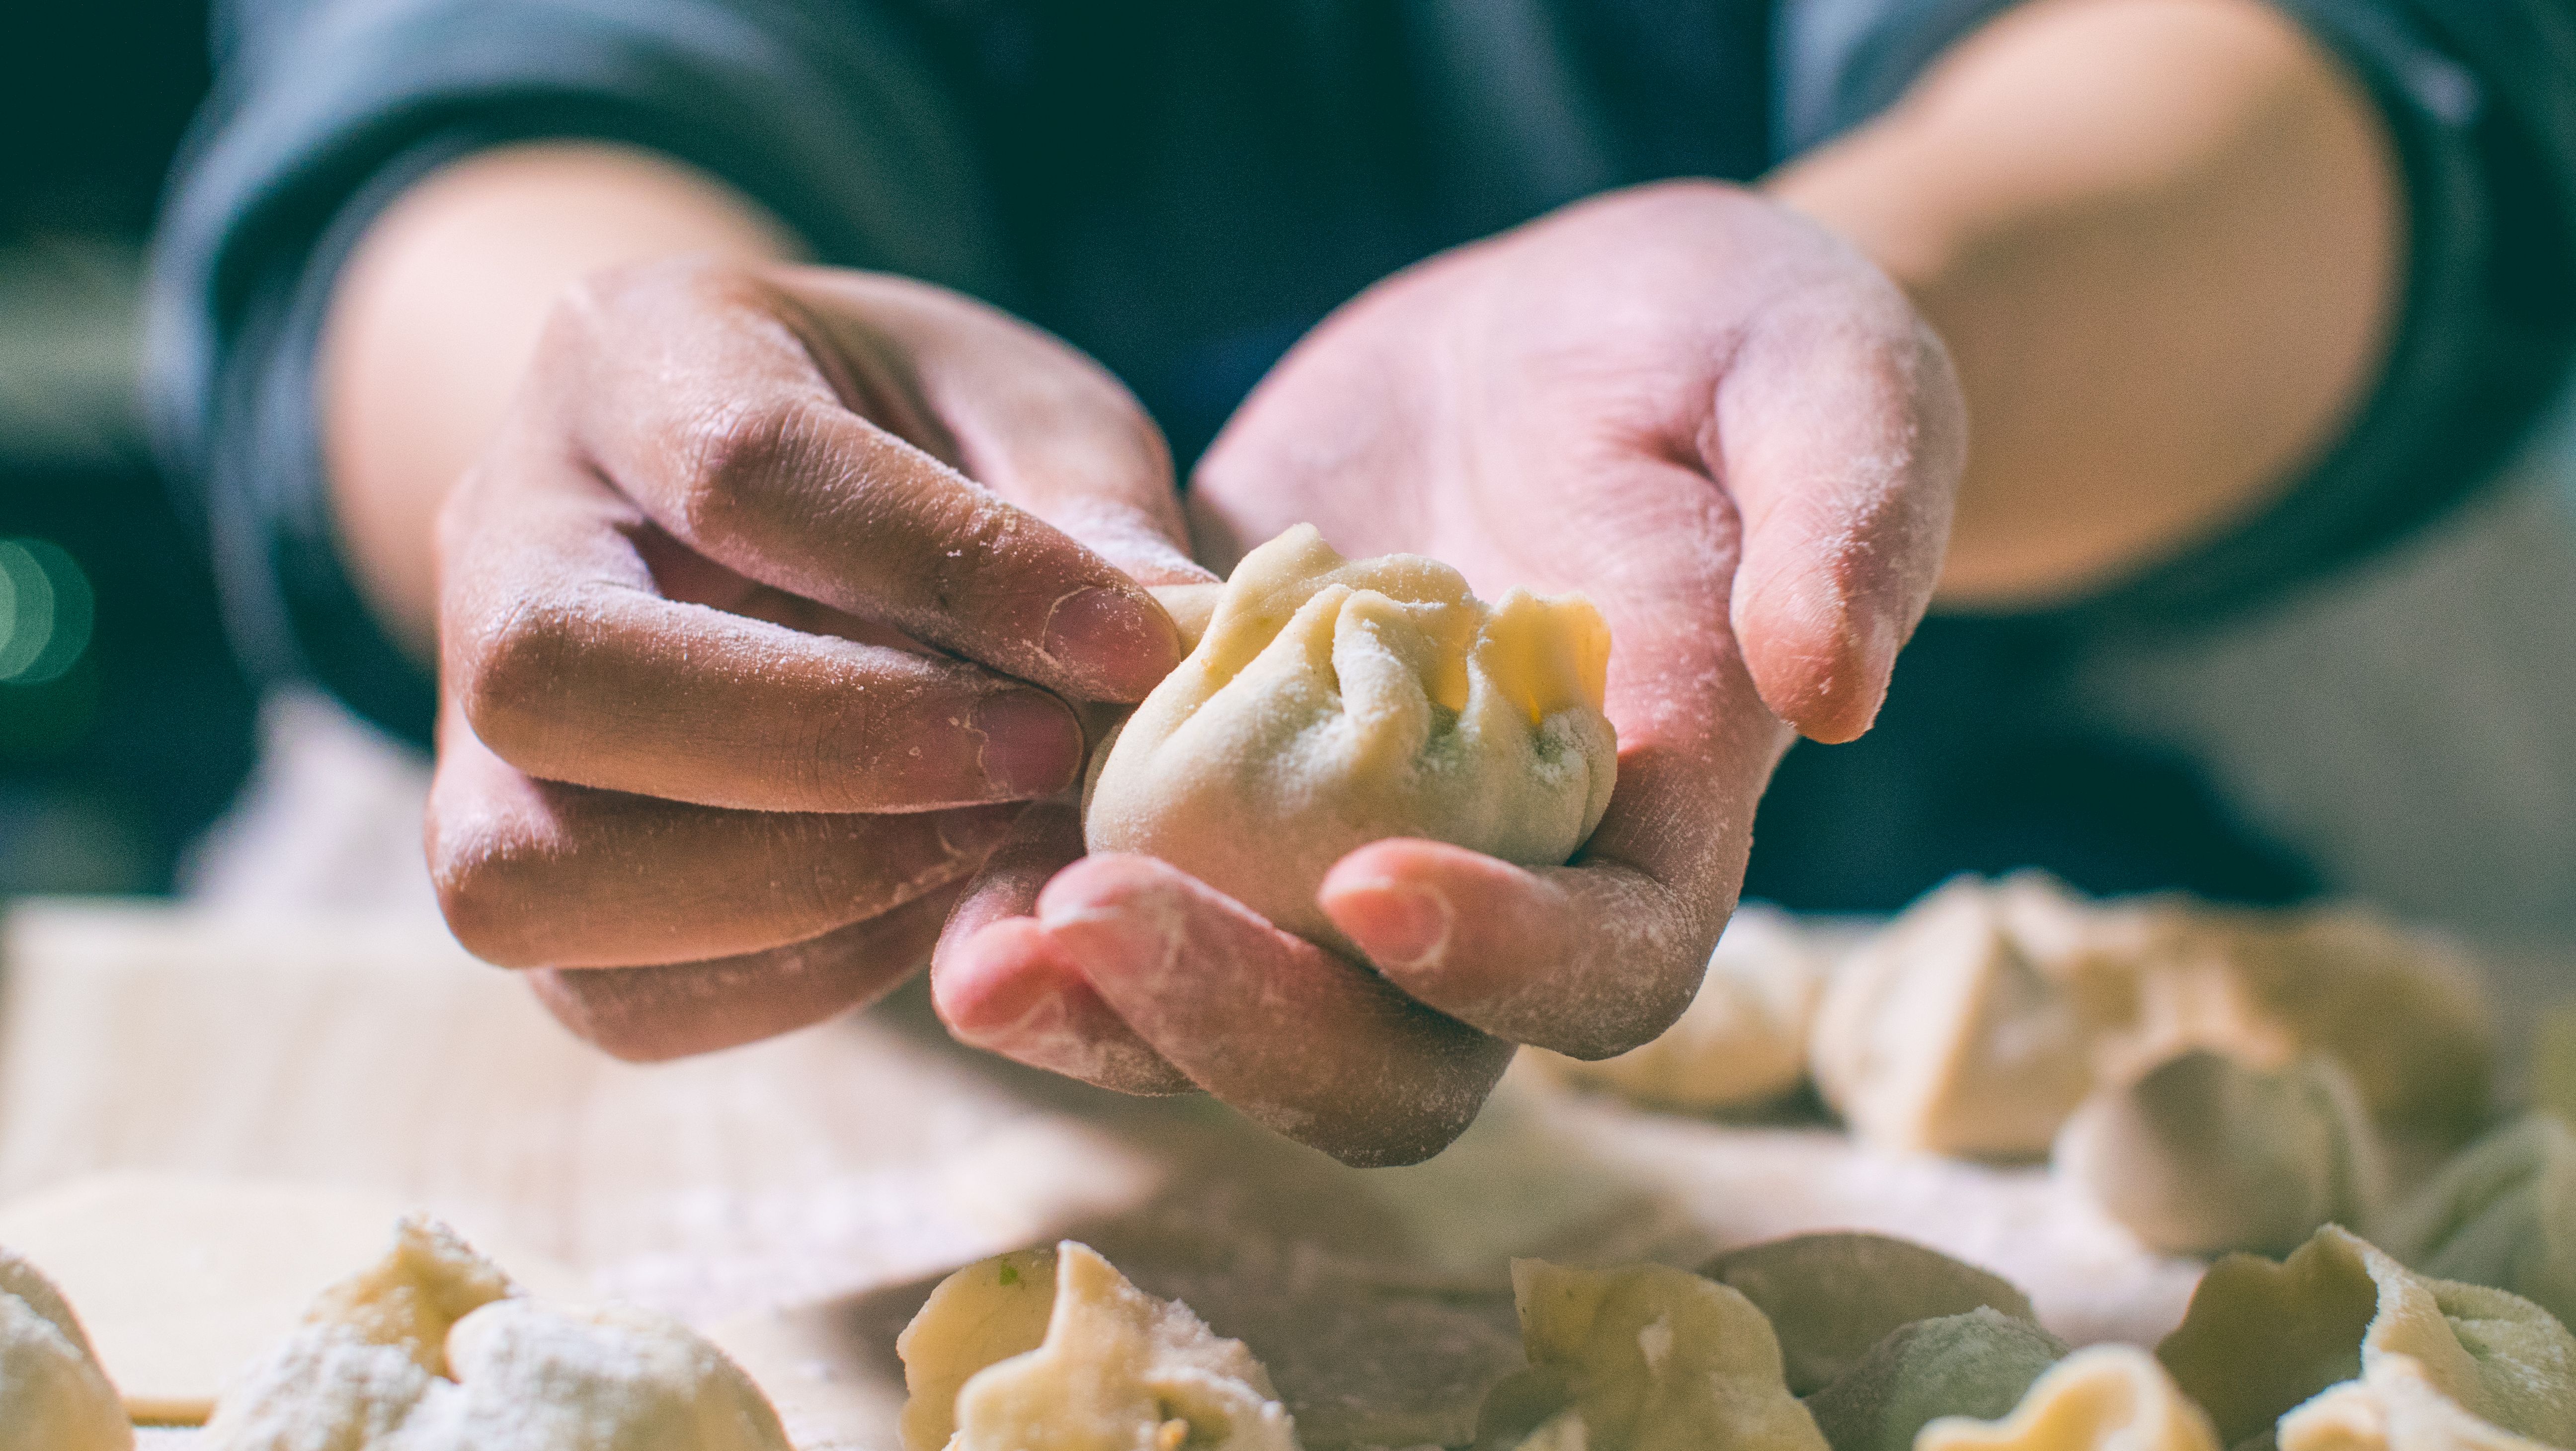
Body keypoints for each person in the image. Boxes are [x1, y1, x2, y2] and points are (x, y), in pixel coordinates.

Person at [150, 0, 2576, 1165]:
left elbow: (2364, 92)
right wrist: (636, 426)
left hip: (2114, 808)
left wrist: (1852, 318)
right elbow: (466, 118)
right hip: (714, 958)